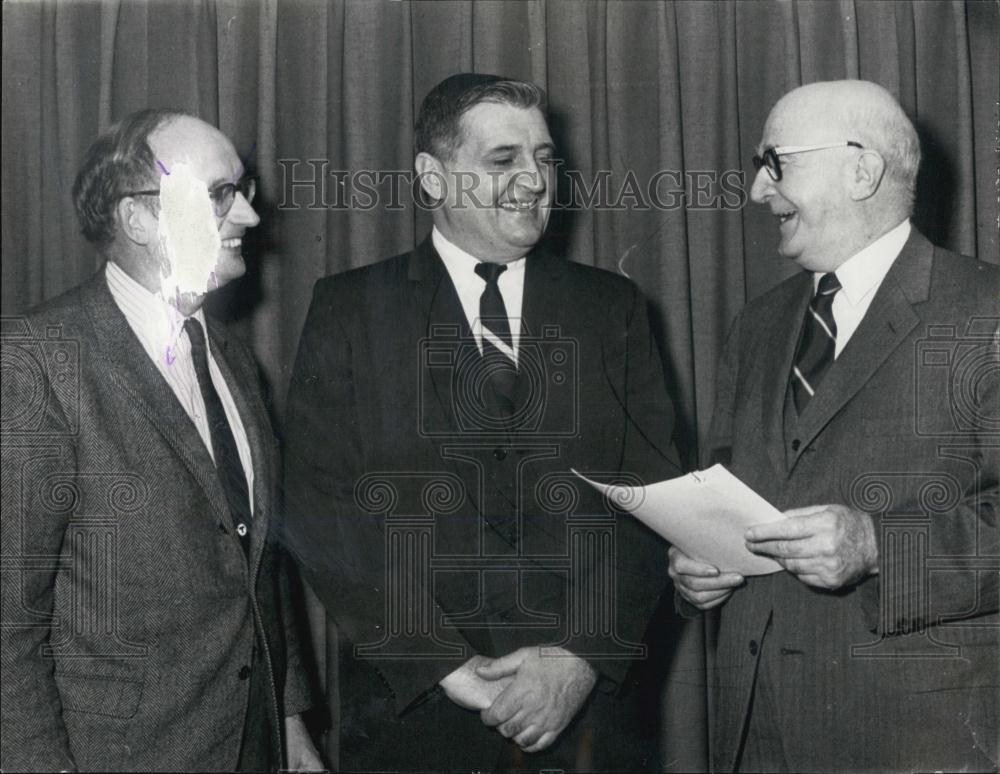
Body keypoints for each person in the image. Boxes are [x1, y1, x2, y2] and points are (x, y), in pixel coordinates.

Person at [283, 73, 680, 772]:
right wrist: (442, 664)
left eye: (545, 158)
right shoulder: (349, 309)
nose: (534, 180)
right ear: (432, 178)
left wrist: (581, 660)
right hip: (414, 711)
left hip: (588, 719)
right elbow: (320, 511)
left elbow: (656, 499)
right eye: (504, 160)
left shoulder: (611, 307)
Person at [668, 80, 999, 773]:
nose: (759, 191)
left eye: (776, 163)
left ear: (861, 169)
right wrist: (699, 562)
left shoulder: (986, 312)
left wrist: (878, 546)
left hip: (914, 739)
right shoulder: (757, 325)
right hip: (753, 730)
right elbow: (731, 488)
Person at [0, 109, 323, 772]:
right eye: (218, 196)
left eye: (244, 192)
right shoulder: (38, 360)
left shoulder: (233, 358)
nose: (251, 219)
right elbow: (10, 616)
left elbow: (259, 563)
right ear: (138, 218)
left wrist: (288, 720)